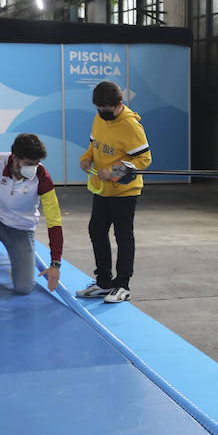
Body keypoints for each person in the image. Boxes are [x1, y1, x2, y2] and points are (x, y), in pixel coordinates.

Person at [0, 133, 63, 296]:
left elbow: (54, 221)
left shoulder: (43, 177)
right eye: (29, 163)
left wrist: (55, 264)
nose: (33, 168)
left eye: (36, 163)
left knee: (23, 289)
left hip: (21, 230)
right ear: (14, 158)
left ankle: (19, 267)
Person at [76, 81, 151, 303]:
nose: (101, 114)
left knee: (123, 235)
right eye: (98, 109)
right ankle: (103, 282)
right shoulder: (99, 117)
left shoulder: (130, 126)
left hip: (125, 191)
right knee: (96, 230)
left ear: (119, 104)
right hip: (102, 189)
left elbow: (144, 159)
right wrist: (86, 157)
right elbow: (94, 144)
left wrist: (115, 171)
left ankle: (122, 285)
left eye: (106, 110)